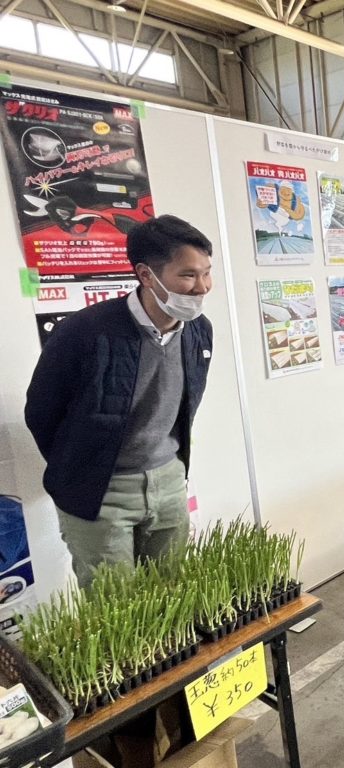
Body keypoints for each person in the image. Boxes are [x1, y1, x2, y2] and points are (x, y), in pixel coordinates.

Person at [25, 215, 214, 589]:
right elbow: (42, 412)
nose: (202, 287)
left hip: (168, 481)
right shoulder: (85, 332)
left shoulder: (199, 330)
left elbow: (186, 403)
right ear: (146, 275)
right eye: (188, 275)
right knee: (115, 604)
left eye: (207, 273)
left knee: (173, 592)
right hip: (101, 490)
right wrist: (84, 466)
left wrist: (171, 465)